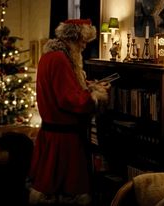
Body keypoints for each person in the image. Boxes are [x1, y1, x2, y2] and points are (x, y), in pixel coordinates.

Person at [28, 19, 110, 205]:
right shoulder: (59, 59)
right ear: (74, 37)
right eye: (83, 41)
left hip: (53, 136)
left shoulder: (53, 56)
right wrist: (97, 95)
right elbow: (69, 99)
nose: (84, 46)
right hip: (63, 141)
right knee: (68, 193)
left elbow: (65, 87)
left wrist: (89, 86)